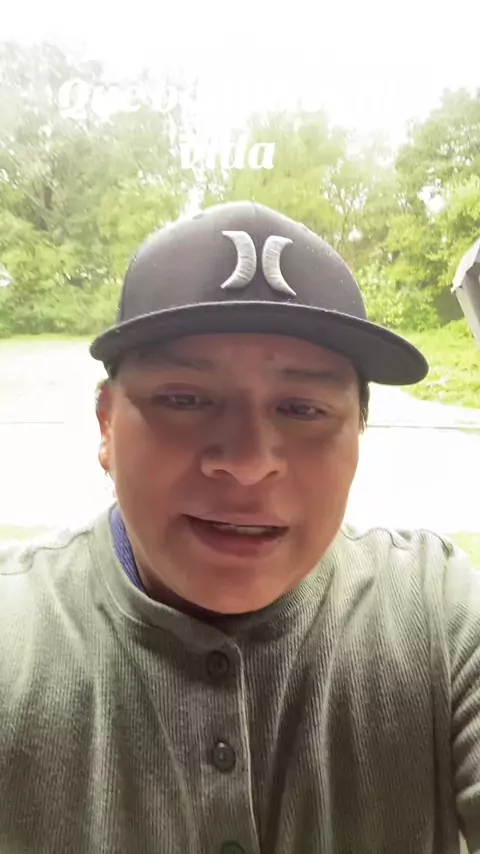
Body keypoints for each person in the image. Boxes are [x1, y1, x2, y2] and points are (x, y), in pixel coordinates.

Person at [0, 201, 479, 854]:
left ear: (360, 434)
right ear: (107, 426)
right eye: (184, 399)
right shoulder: (14, 634)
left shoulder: (440, 620)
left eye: (302, 408)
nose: (249, 463)